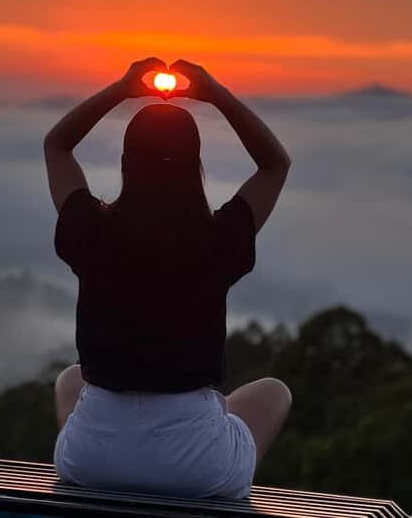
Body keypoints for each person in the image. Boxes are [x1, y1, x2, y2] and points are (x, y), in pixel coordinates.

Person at [43, 56, 292, 499]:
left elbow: (57, 146)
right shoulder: (217, 239)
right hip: (195, 467)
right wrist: (214, 93)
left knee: (69, 379)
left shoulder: (92, 231)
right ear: (194, 165)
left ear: (124, 163)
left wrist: (122, 88)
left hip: (92, 462)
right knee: (273, 392)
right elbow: (274, 165)